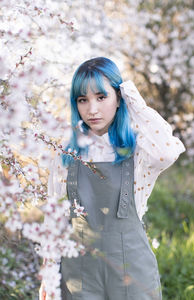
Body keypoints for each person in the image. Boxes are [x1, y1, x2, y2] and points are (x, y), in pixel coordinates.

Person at [40, 57, 185, 300]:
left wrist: (131, 97)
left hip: (132, 270)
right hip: (80, 274)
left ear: (118, 98)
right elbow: (53, 218)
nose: (92, 109)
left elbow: (167, 151)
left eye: (101, 97)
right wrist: (49, 276)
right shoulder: (66, 152)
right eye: (82, 100)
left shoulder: (139, 149)